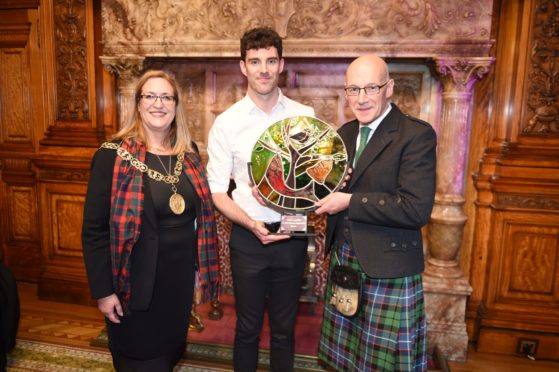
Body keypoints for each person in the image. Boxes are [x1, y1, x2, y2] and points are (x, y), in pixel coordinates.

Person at [82, 70, 220, 372]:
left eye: (166, 97)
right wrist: (104, 292)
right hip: (134, 289)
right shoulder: (112, 157)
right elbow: (94, 231)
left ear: (176, 105)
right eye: (150, 96)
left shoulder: (190, 154)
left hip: (177, 288)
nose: (159, 104)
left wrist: (197, 274)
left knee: (169, 358)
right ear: (138, 104)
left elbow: (197, 222)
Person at [315, 55, 436, 371]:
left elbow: (415, 209)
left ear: (389, 88)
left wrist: (349, 201)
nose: (361, 98)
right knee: (347, 360)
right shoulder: (344, 134)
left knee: (382, 364)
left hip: (388, 268)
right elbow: (329, 189)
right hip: (346, 261)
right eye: (353, 89)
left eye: (371, 87)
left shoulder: (415, 135)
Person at [206, 27, 315, 371]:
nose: (263, 69)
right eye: (255, 61)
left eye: (270, 60)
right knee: (248, 328)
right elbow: (217, 192)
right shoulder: (226, 123)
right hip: (247, 237)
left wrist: (288, 194)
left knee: (284, 330)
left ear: (281, 64)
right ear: (243, 66)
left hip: (292, 235)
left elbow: (316, 183)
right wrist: (251, 222)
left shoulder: (305, 116)